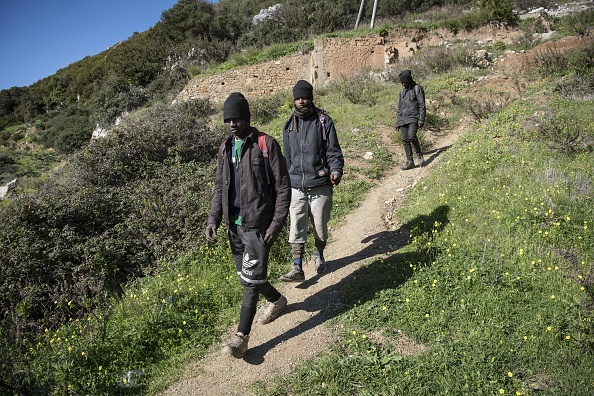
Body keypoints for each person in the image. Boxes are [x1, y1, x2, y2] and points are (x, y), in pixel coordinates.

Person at [205, 92, 291, 359]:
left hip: (258, 226)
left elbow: (283, 187)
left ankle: (241, 338)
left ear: (247, 117)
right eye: (227, 119)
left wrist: (276, 224)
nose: (232, 124)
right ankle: (278, 300)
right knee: (248, 276)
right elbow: (220, 186)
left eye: (237, 118)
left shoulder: (266, 144)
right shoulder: (225, 147)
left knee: (250, 282)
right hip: (234, 226)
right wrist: (213, 219)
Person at [279, 80, 344, 282]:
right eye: (297, 98)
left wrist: (336, 170)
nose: (301, 101)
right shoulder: (289, 125)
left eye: (304, 97)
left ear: (311, 98)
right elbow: (287, 157)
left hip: (320, 182)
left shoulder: (324, 121)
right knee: (296, 225)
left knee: (320, 226)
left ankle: (319, 255)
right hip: (296, 185)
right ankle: (297, 268)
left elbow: (333, 150)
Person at [396, 69, 426, 170]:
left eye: (405, 82)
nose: (403, 84)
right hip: (403, 119)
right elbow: (400, 107)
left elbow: (422, 105)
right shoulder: (402, 92)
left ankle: (419, 155)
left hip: (414, 117)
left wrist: (421, 119)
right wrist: (398, 121)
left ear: (409, 79)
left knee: (412, 136)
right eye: (402, 82)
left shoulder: (417, 89)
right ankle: (410, 162)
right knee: (405, 140)